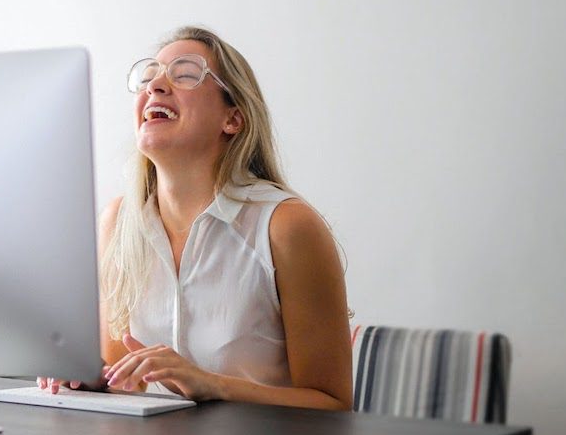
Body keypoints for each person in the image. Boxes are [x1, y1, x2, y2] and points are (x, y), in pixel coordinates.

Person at [39, 26, 353, 409]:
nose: (155, 85)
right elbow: (125, 380)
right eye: (149, 76)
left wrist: (211, 384)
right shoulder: (117, 222)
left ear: (233, 119)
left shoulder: (287, 227)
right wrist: (87, 379)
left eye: (185, 73)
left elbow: (333, 405)